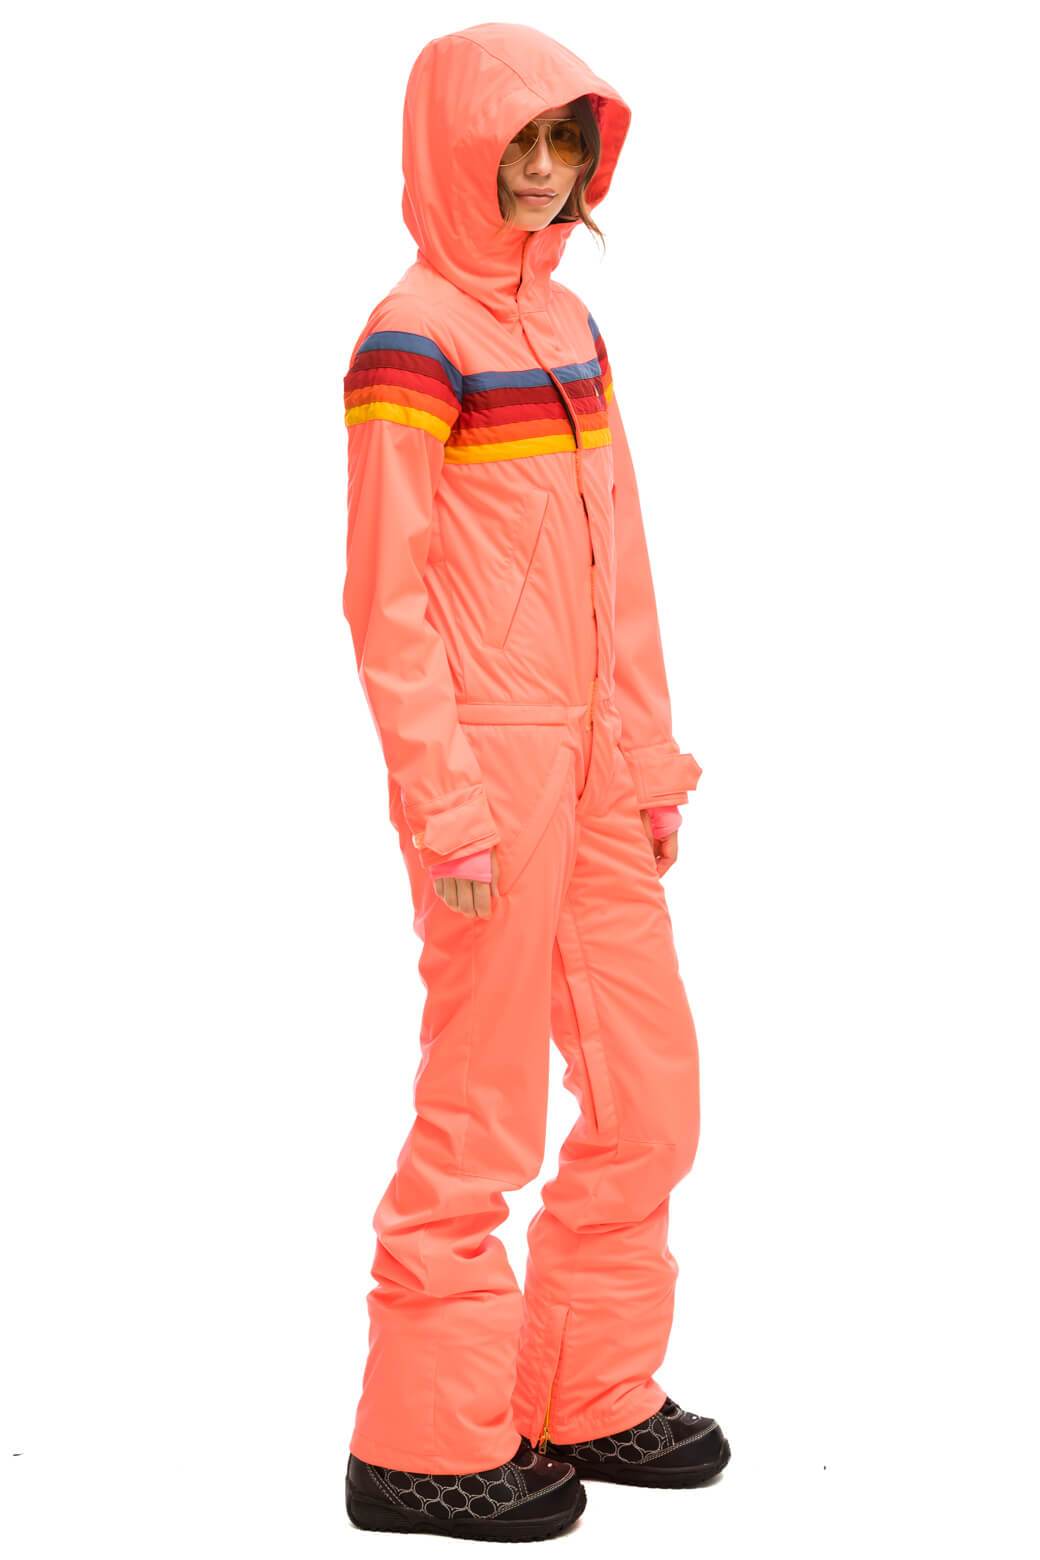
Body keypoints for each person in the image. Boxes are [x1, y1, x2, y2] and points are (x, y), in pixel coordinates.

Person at [340, 23, 729, 1541]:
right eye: (519, 143)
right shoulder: (411, 336)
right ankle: (420, 1443)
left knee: (651, 1088)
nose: (546, 171)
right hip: (487, 773)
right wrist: (444, 803)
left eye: (568, 143)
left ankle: (585, 1389)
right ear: (459, 148)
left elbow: (621, 561)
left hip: (594, 767)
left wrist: (647, 757)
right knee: (483, 1106)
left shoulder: (570, 327)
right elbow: (385, 600)